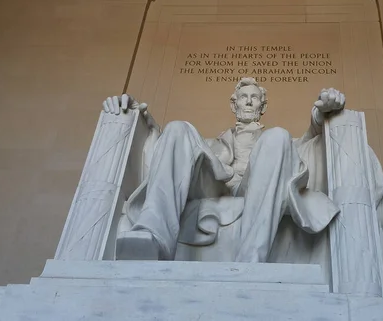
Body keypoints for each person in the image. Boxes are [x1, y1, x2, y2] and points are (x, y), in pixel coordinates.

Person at [107, 77, 344, 262]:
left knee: (278, 135)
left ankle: (250, 261)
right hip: (217, 183)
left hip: (257, 185)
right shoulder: (214, 144)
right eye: (243, 97)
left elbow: (308, 143)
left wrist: (320, 115)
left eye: (254, 97)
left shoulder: (277, 143)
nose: (249, 101)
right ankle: (152, 236)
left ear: (263, 105)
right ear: (234, 104)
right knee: (178, 128)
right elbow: (162, 154)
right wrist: (143, 122)